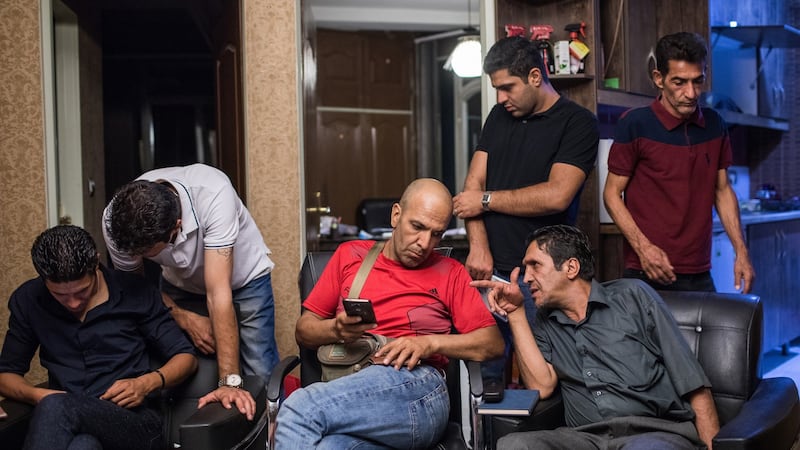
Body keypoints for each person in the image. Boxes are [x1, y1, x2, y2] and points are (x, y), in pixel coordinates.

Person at [274, 178, 504, 449]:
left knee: (299, 409)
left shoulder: (451, 272)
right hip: (353, 385)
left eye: (436, 234)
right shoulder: (350, 256)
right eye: (417, 227)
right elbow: (304, 331)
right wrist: (335, 330)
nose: (424, 243)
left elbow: (492, 344)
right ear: (396, 215)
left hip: (419, 388)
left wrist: (429, 342)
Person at [473, 225, 719, 450]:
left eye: (535, 265)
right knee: (513, 445)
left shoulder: (632, 297)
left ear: (571, 267)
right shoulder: (544, 321)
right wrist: (515, 313)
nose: (526, 278)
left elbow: (693, 383)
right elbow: (541, 386)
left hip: (652, 434)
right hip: (585, 438)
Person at [452, 35, 599, 390]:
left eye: (507, 88)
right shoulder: (498, 116)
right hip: (490, 274)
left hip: (542, 280)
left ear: (535, 76)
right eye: (496, 89)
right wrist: (478, 246)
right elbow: (472, 183)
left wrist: (485, 201)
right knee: (482, 377)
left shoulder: (577, 123)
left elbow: (556, 195)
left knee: (545, 378)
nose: (500, 98)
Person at [102, 163, 278, 418]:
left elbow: (218, 293)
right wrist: (183, 317)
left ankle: (272, 438)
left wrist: (229, 384)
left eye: (149, 253)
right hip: (177, 285)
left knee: (259, 371)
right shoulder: (114, 220)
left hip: (244, 280)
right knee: (181, 365)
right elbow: (137, 291)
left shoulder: (214, 193)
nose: (141, 258)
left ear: (177, 226)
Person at [0, 225, 198, 450]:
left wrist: (145, 384)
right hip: (65, 417)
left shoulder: (135, 291)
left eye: (82, 291)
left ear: (95, 263)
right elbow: (6, 375)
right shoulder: (28, 300)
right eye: (60, 295)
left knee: (56, 407)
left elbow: (186, 357)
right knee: (83, 446)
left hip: (135, 423)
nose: (73, 303)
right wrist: (38, 395)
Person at [603, 31, 754, 293]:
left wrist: (741, 251)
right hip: (646, 269)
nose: (691, 93)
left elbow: (722, 190)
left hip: (699, 271)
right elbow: (612, 194)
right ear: (658, 79)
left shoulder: (715, 124)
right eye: (679, 82)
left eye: (698, 81)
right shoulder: (635, 123)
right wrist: (644, 248)